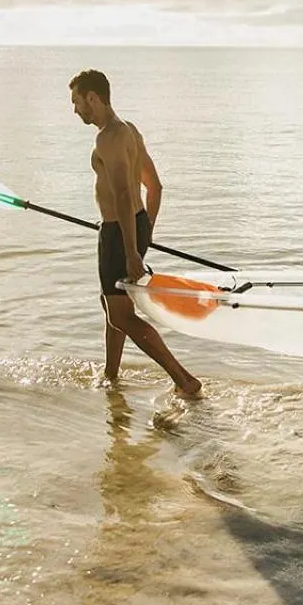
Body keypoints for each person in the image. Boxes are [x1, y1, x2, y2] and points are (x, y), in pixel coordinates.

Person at [69, 69, 202, 398]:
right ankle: (111, 376)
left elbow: (124, 195)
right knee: (112, 308)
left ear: (93, 98)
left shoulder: (108, 138)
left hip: (119, 234)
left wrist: (130, 250)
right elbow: (154, 187)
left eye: (77, 102)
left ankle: (184, 380)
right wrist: (146, 232)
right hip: (132, 227)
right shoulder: (130, 131)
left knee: (121, 316)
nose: (74, 110)